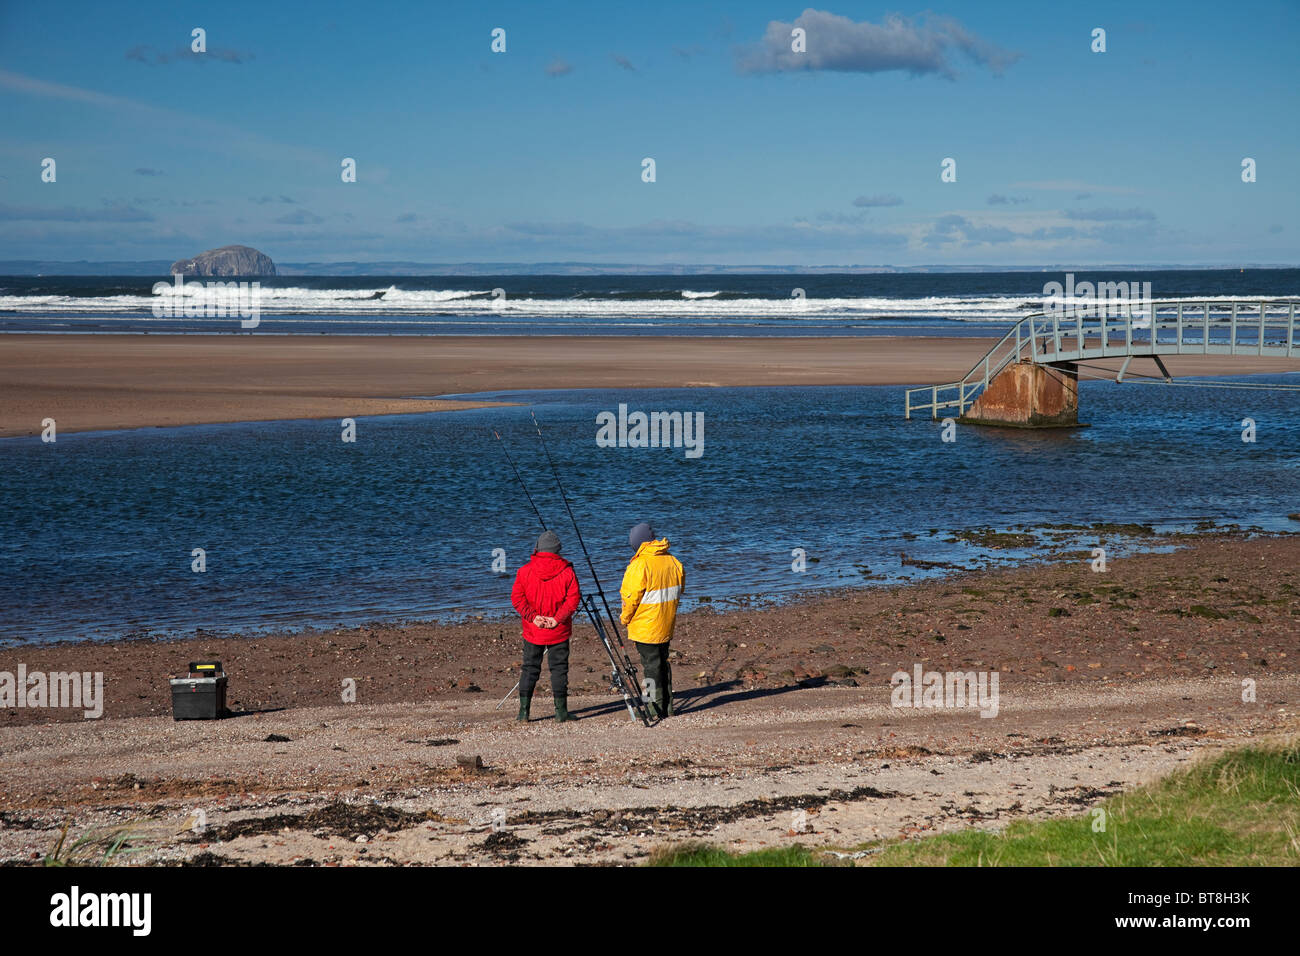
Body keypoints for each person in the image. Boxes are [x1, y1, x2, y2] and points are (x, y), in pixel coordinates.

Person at [510, 530, 581, 723]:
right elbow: (573, 600)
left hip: (535, 630)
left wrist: (533, 618)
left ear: (537, 549)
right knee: (559, 670)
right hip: (557, 629)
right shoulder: (567, 571)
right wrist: (557, 619)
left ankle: (523, 713)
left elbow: (517, 599)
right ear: (557, 550)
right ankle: (560, 713)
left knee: (529, 669)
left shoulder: (524, 571)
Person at [619, 522, 684, 719]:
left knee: (651, 666)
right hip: (665, 622)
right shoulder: (673, 561)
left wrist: (625, 618)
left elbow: (630, 598)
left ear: (638, 544)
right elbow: (681, 588)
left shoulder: (639, 565)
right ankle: (668, 706)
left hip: (646, 626)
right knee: (662, 663)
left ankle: (654, 707)